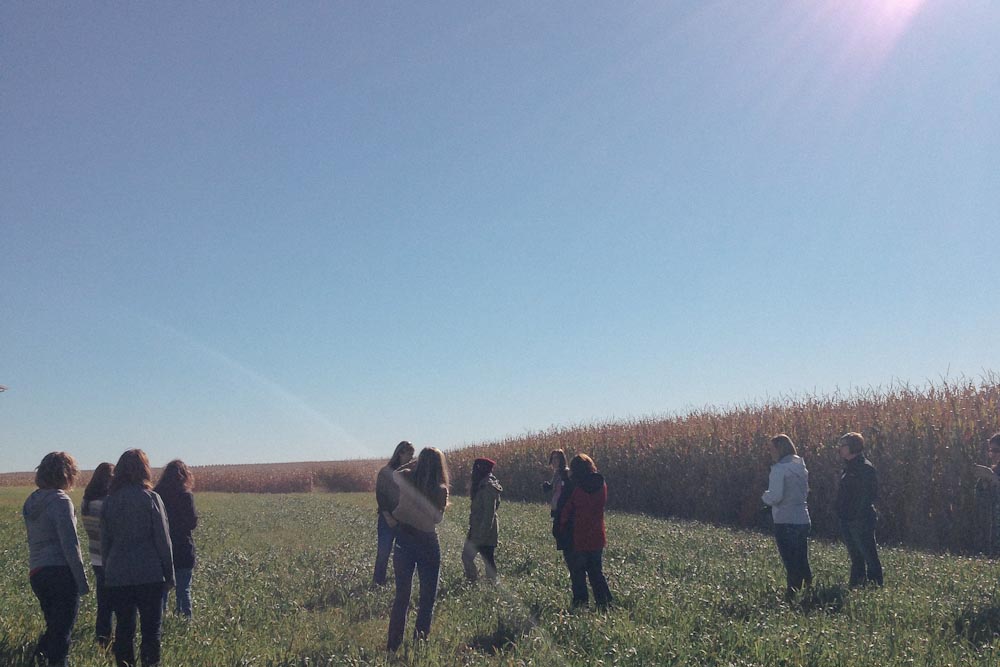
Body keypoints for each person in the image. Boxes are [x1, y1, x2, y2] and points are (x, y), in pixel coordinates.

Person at [102, 449, 174, 667]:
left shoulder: (110, 501)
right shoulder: (151, 498)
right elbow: (163, 540)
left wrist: (108, 570)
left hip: (118, 573)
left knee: (124, 630)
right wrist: (169, 574)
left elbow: (105, 541)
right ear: (144, 469)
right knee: (151, 631)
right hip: (149, 573)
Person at [23, 452, 90, 667]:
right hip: (60, 572)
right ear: (66, 474)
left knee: (55, 628)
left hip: (37, 573)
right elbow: (70, 544)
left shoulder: (31, 501)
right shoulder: (61, 501)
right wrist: (81, 581)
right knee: (62, 634)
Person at [384, 447, 449, 651]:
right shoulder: (440, 488)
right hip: (427, 542)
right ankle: (419, 645)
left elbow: (393, 473)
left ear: (419, 461)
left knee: (402, 596)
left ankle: (393, 645)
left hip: (404, 538)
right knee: (427, 598)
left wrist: (411, 465)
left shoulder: (406, 477)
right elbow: (438, 519)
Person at [761, 434, 812, 599]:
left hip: (785, 519)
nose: (769, 452)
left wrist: (764, 497)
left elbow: (776, 496)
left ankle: (792, 594)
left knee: (790, 561)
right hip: (803, 518)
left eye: (771, 448)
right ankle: (809, 590)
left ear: (779, 449)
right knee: (802, 557)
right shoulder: (801, 467)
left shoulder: (779, 469)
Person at [559, 454, 612, 609]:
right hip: (597, 536)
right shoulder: (601, 484)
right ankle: (605, 604)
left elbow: (566, 511)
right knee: (596, 573)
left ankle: (581, 606)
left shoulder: (575, 487)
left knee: (578, 574)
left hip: (578, 537)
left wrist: (561, 529)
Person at [835, 432, 884, 587]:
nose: (840, 449)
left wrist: (855, 515)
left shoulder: (864, 468)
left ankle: (875, 585)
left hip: (860, 519)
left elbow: (869, 495)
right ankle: (857, 584)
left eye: (843, 446)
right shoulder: (849, 467)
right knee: (856, 556)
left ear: (852, 447)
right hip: (847, 519)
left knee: (869, 555)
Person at [154, 459, 198, 618]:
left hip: (161, 548)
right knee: (183, 590)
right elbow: (192, 523)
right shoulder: (186, 495)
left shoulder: (156, 494)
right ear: (184, 475)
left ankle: (159, 624)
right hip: (183, 548)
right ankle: (185, 623)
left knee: (162, 591)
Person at [81, 462, 116, 645]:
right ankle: (109, 640)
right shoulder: (105, 504)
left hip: (95, 556)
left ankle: (102, 638)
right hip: (110, 557)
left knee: (103, 602)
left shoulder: (86, 502)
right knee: (117, 602)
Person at [373, 441, 414, 586]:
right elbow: (380, 496)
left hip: (405, 519)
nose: (411, 457)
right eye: (409, 454)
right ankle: (378, 581)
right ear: (400, 453)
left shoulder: (411, 474)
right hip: (387, 519)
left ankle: (402, 581)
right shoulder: (386, 472)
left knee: (403, 553)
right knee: (383, 551)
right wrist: (388, 516)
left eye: (412, 455)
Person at [462, 458, 502, 582]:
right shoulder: (482, 484)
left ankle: (484, 583)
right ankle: (476, 581)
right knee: (481, 559)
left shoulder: (488, 487)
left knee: (482, 559)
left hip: (484, 530)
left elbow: (489, 513)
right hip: (477, 528)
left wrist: (482, 534)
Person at [543, 449, 573, 557]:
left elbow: (567, 490)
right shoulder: (556, 474)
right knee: (557, 532)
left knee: (561, 534)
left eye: (557, 458)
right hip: (556, 509)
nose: (554, 461)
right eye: (553, 458)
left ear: (562, 459)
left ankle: (570, 556)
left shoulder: (566, 473)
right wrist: (549, 487)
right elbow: (556, 488)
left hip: (564, 509)